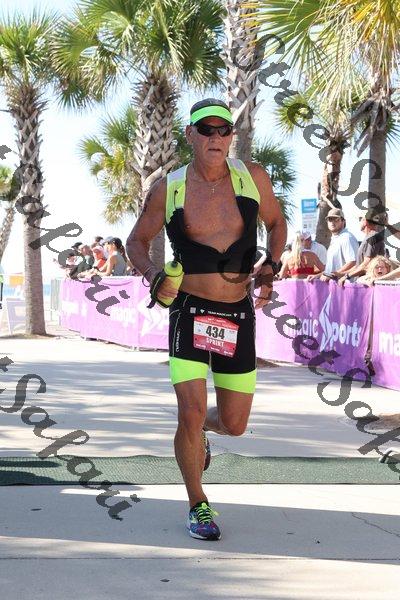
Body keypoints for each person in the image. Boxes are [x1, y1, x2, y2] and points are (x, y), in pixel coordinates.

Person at [126, 98, 287, 541]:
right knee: (190, 412)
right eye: (206, 130)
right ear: (190, 135)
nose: (216, 137)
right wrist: (154, 276)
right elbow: (136, 241)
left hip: (237, 313)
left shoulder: (252, 177)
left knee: (234, 423)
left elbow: (277, 223)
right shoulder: (170, 187)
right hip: (190, 311)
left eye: (223, 130)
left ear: (231, 136)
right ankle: (198, 503)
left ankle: (202, 434)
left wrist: (271, 266)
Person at [307, 208, 359, 282]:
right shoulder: (336, 239)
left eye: (336, 219)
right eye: (330, 219)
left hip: (346, 286)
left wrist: (331, 275)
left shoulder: (347, 238)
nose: (332, 222)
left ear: (343, 221)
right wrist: (318, 276)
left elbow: (353, 262)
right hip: (336, 286)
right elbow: (331, 270)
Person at [337, 208, 386, 285]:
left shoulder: (372, 237)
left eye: (360, 219)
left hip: (368, 286)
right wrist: (341, 274)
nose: (359, 222)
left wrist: (347, 276)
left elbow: (367, 263)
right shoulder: (371, 237)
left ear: (365, 221)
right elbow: (359, 265)